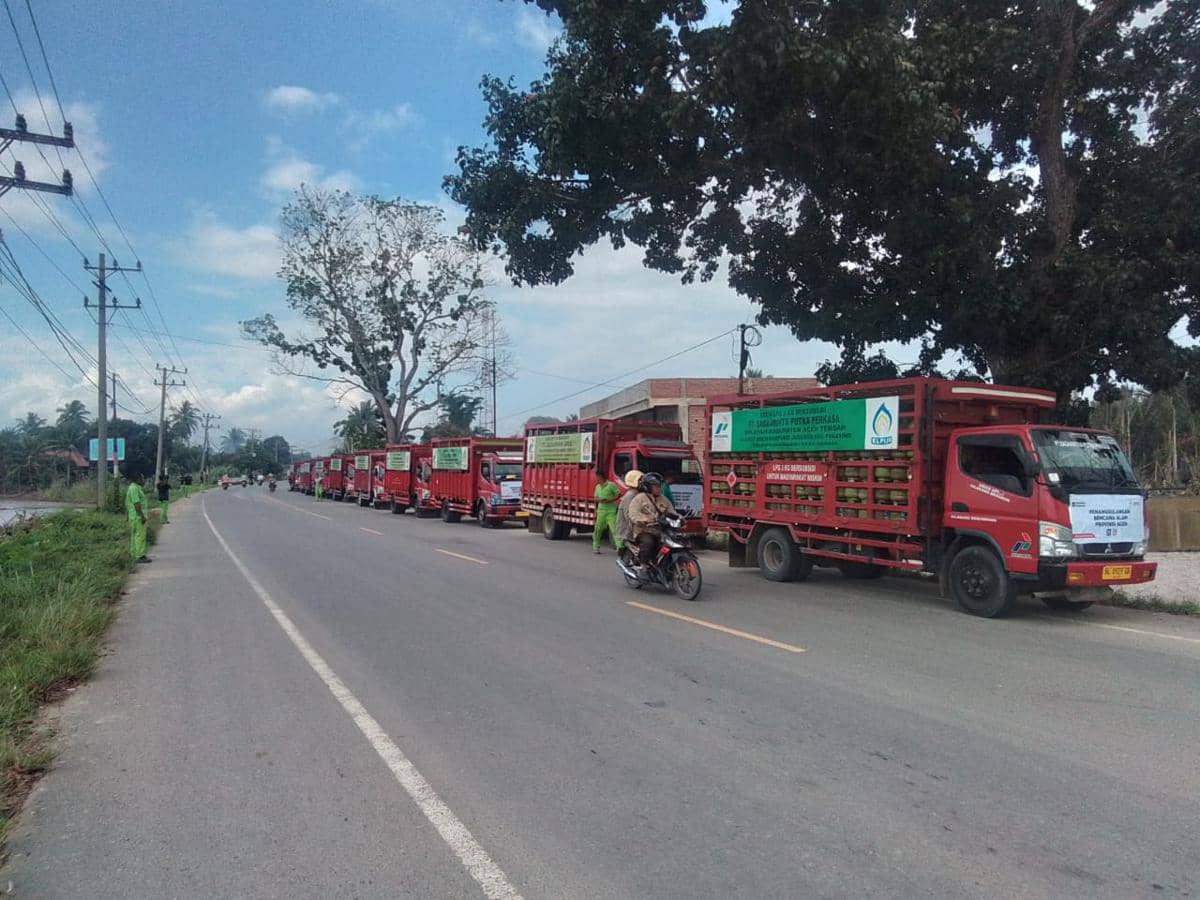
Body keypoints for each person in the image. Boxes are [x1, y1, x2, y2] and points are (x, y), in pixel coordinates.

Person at [628, 473, 676, 569]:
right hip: (644, 530)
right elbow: (633, 515)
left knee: (672, 544)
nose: (659, 488)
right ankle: (643, 566)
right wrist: (646, 520)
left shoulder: (663, 499)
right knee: (648, 543)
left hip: (661, 531)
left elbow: (672, 512)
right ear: (648, 487)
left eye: (659, 486)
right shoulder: (639, 499)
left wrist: (680, 519)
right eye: (656, 486)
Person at [592, 468, 621, 554]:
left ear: (601, 476)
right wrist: (599, 500)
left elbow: (618, 494)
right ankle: (596, 546)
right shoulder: (597, 487)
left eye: (597, 476)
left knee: (614, 530)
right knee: (598, 530)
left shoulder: (611, 485)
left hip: (611, 511)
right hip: (601, 511)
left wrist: (610, 500)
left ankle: (620, 548)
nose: (596, 478)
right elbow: (595, 498)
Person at [615, 469, 644, 552]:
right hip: (629, 530)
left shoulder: (638, 494)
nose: (642, 482)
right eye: (640, 480)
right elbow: (629, 515)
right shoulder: (631, 495)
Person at [126, 473, 150, 563]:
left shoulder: (133, 488)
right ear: (138, 479)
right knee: (140, 536)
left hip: (133, 516)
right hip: (138, 517)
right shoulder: (134, 489)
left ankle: (134, 554)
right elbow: (136, 504)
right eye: (143, 478)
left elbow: (128, 503)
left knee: (135, 536)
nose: (144, 480)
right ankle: (140, 556)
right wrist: (142, 516)